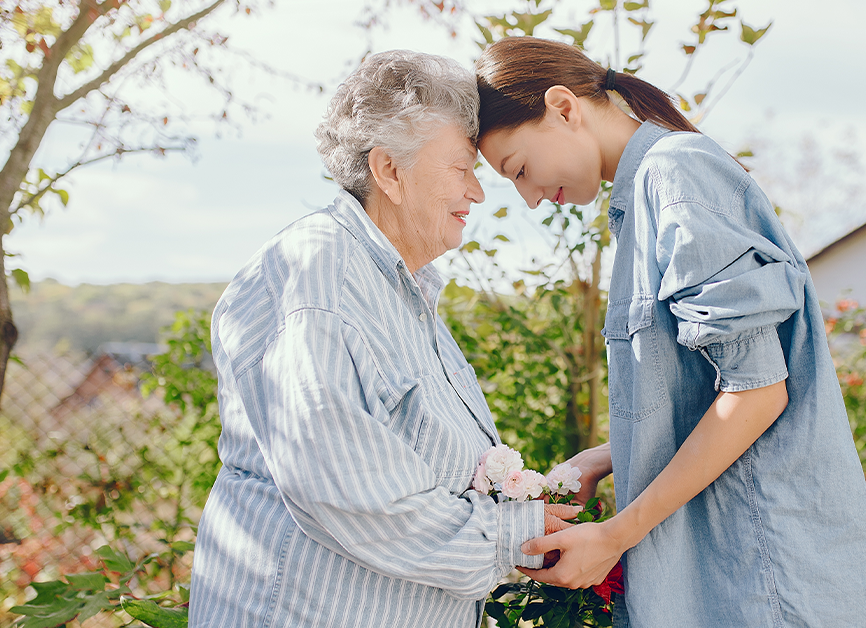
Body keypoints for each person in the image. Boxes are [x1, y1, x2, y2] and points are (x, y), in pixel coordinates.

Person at [474, 37, 866, 627]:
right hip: (730, 576)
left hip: (764, 577)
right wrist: (604, 458)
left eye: (519, 169)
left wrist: (615, 535)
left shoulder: (676, 174)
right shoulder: (641, 200)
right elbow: (709, 393)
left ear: (563, 108)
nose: (531, 198)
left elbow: (757, 393)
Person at [188, 50, 577, 628]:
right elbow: (346, 487)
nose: (478, 192)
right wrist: (514, 537)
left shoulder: (398, 289)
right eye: (461, 169)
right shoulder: (320, 275)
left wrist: (541, 500)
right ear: (389, 171)